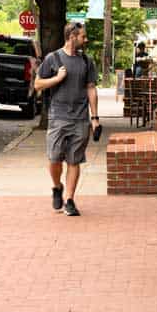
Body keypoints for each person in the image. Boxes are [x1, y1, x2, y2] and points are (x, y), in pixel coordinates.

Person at [34, 22, 99, 216]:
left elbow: (91, 88)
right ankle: (57, 187)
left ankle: (69, 199)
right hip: (58, 117)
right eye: (82, 36)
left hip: (80, 118)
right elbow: (37, 84)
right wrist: (56, 79)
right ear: (72, 36)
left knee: (74, 160)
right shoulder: (52, 59)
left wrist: (95, 118)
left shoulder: (87, 61)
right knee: (54, 158)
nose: (85, 40)